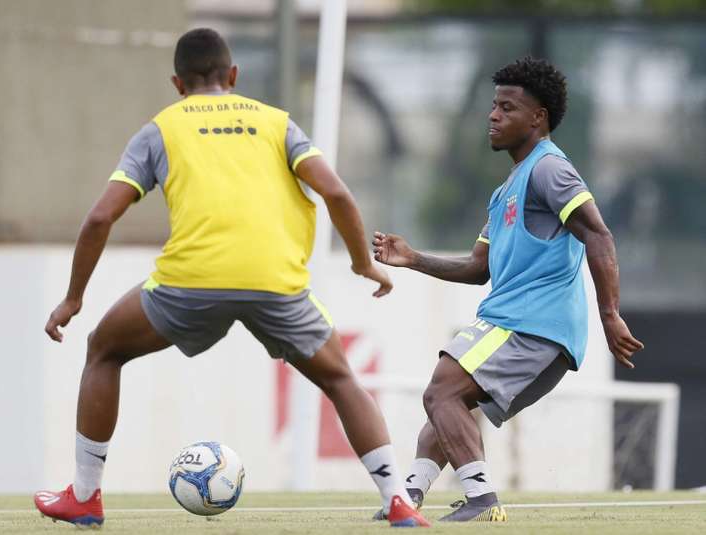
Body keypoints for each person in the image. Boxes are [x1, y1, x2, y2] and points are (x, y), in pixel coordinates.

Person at [33, 28, 429, 529]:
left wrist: (73, 298)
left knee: (104, 349)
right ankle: (398, 500)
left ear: (177, 83)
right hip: (275, 283)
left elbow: (98, 219)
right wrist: (361, 264)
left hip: (189, 284)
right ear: (234, 76)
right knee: (340, 379)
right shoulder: (276, 124)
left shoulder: (160, 129)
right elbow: (337, 194)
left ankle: (85, 497)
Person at [371, 57, 644, 523]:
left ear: (537, 118)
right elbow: (479, 268)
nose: (493, 115)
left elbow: (598, 234)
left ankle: (482, 500)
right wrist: (413, 259)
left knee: (442, 391)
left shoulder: (549, 170)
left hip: (532, 322)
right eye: (493, 106)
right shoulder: (506, 190)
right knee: (448, 405)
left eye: (507, 107)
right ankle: (410, 495)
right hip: (520, 322)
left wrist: (610, 314)